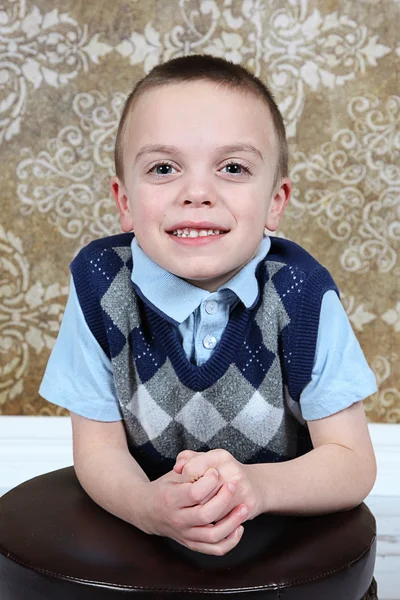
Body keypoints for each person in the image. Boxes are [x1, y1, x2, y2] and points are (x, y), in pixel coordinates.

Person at [40, 54, 377, 558]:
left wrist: (256, 490)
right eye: (163, 168)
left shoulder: (302, 292)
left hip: (276, 524)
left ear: (276, 202)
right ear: (125, 201)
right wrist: (146, 507)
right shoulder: (100, 283)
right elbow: (98, 450)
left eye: (233, 167)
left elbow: (352, 463)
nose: (197, 192)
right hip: (148, 512)